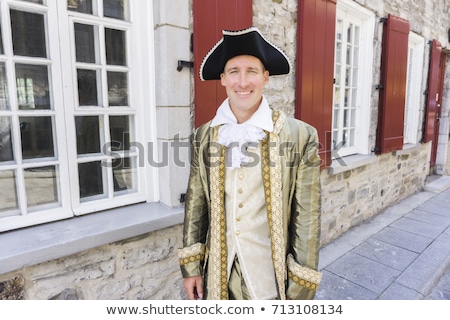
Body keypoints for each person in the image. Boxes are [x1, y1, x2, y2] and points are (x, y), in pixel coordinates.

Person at [178, 27, 322, 300]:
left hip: (270, 278)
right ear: (222, 78)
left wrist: (302, 284)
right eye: (234, 71)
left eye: (252, 71)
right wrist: (192, 267)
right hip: (218, 276)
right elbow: (196, 206)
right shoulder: (203, 137)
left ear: (266, 77)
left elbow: (307, 217)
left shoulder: (301, 135)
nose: (242, 82)